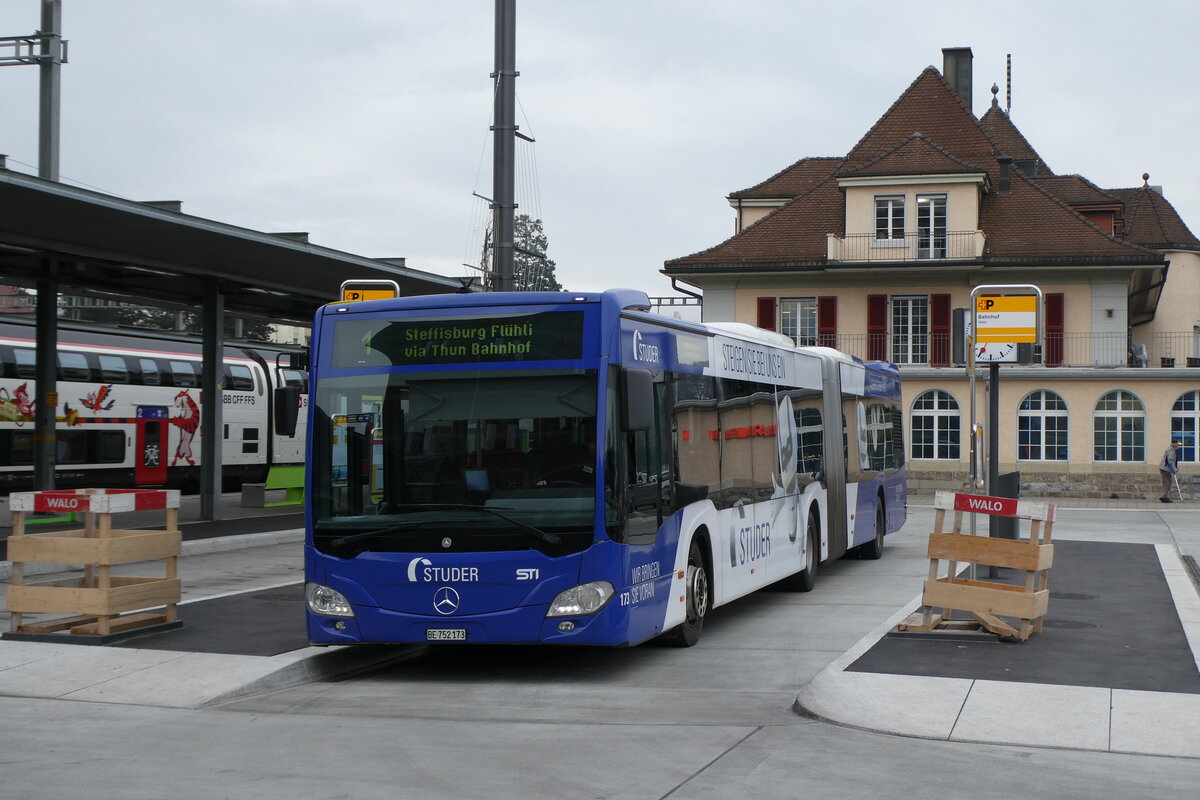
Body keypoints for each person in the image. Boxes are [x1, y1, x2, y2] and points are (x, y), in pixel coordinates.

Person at [1158, 438, 1183, 503]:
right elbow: (1170, 461)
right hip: (1165, 469)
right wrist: (1174, 469)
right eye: (1177, 444)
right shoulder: (1170, 450)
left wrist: (1175, 468)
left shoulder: (1173, 449)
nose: (1178, 446)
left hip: (1165, 468)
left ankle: (1164, 496)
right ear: (1173, 444)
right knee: (1168, 483)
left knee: (1166, 483)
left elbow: (1173, 461)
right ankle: (1164, 497)